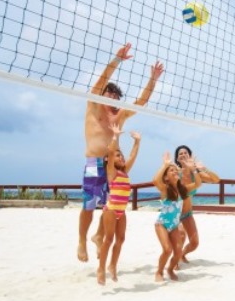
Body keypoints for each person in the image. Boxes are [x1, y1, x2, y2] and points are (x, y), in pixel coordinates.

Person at [78, 42, 164, 262]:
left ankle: (98, 236)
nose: (113, 99)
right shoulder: (94, 104)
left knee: (111, 205)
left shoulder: (121, 114)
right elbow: (100, 83)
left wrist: (153, 79)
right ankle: (81, 241)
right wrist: (116, 60)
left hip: (113, 166)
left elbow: (142, 102)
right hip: (93, 163)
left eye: (117, 97)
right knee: (89, 205)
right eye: (110, 95)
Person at [97, 124, 141, 285]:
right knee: (108, 239)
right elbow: (110, 151)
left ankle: (112, 265)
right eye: (117, 155)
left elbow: (133, 156)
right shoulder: (112, 172)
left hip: (122, 211)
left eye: (121, 155)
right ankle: (100, 269)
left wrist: (137, 141)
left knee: (121, 239)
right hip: (111, 209)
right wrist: (115, 137)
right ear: (109, 159)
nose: (121, 157)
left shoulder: (124, 171)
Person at [153, 152, 201, 282]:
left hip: (174, 225)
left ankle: (169, 269)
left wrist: (193, 169)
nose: (175, 172)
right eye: (171, 171)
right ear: (166, 178)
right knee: (167, 250)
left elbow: (197, 184)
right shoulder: (165, 189)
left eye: (176, 170)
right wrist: (165, 165)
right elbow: (155, 180)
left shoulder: (183, 189)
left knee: (178, 252)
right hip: (162, 224)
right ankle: (159, 272)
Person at [174, 145, 220, 267]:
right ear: (177, 159)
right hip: (175, 213)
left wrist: (204, 168)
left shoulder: (196, 175)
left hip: (188, 214)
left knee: (194, 243)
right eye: (180, 154)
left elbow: (216, 180)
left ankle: (182, 254)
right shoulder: (175, 173)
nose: (183, 155)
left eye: (185, 153)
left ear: (190, 156)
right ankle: (175, 261)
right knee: (181, 236)